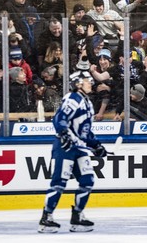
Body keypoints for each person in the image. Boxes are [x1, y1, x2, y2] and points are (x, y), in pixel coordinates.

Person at [38, 68, 107, 233]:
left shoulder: (87, 102)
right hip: (65, 147)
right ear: (78, 84)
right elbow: (59, 119)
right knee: (59, 183)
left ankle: (77, 215)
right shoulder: (72, 99)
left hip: (79, 148)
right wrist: (64, 134)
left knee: (87, 180)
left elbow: (86, 131)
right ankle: (46, 217)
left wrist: (96, 145)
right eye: (87, 80)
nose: (90, 82)